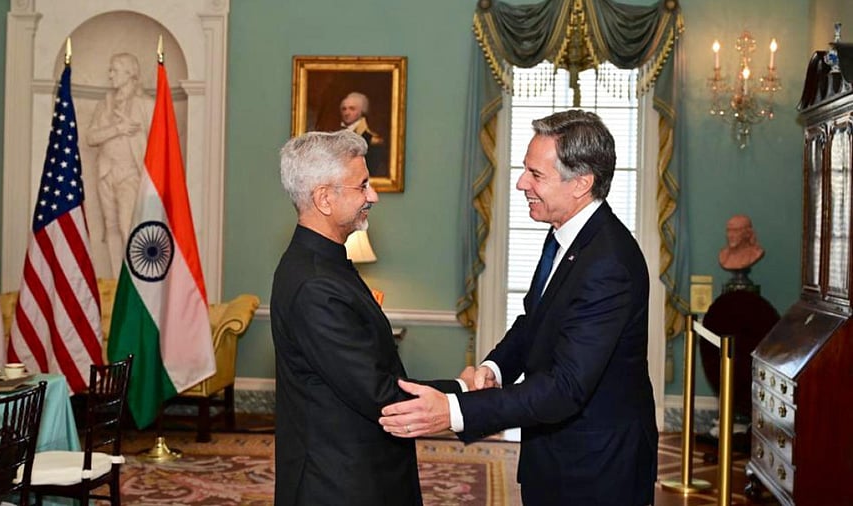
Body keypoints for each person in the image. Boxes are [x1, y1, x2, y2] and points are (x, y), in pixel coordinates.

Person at [379, 110, 658, 506]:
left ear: (581, 183)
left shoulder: (608, 262)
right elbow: (534, 322)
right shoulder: (564, 235)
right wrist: (494, 368)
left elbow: (565, 387)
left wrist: (456, 411)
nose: (521, 183)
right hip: (555, 454)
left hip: (596, 470)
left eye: (536, 175)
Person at [271, 129, 460, 505]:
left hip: (356, 471)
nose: (372, 196)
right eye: (362, 186)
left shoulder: (325, 265)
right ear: (325, 198)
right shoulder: (315, 285)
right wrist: (465, 392)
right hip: (339, 484)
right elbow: (382, 394)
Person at [86, 52, 155, 277]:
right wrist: (118, 129)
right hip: (106, 172)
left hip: (132, 173)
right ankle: (117, 280)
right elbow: (91, 137)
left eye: (114, 70)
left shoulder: (146, 104)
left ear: (129, 73)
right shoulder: (105, 105)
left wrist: (134, 131)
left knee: (130, 228)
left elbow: (160, 142)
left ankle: (133, 281)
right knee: (112, 228)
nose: (110, 75)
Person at [339, 92, 386, 176]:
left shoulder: (373, 140)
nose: (347, 113)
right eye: (344, 109)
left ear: (362, 111)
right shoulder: (339, 136)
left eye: (352, 109)